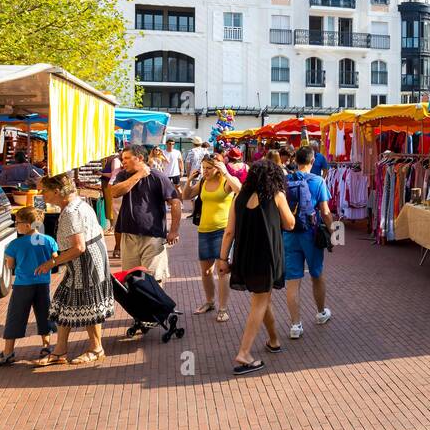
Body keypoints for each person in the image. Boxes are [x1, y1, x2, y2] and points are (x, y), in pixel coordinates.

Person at [217, 159, 296, 375]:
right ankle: (244, 353)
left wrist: (223, 259)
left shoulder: (238, 197)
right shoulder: (277, 195)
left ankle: (273, 340)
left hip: (244, 255)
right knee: (259, 302)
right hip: (267, 255)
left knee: (263, 297)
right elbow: (290, 224)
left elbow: (229, 232)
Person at [33, 174, 114, 366]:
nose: (41, 194)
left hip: (85, 262)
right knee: (63, 303)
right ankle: (60, 350)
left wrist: (52, 263)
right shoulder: (78, 204)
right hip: (87, 260)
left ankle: (96, 349)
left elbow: (79, 247)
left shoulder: (71, 211)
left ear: (56, 191)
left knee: (88, 305)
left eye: (44, 190)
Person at [0, 206, 58, 366]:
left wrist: (10, 259)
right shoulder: (49, 241)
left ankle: (8, 352)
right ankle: (47, 347)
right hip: (42, 284)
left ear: (27, 225)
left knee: (15, 316)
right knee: (44, 314)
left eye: (17, 222)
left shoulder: (15, 244)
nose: (16, 225)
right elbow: (55, 260)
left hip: (22, 285)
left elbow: (10, 265)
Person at [181, 153, 241, 321]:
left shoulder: (226, 182)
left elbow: (240, 190)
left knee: (222, 270)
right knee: (206, 271)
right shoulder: (203, 182)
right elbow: (186, 196)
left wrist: (227, 173)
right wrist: (189, 181)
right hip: (204, 231)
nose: (205, 171)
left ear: (218, 168)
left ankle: (223, 308)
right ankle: (209, 302)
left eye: (208, 168)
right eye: (203, 168)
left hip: (223, 231)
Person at [109, 145, 181, 283]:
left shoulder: (158, 177)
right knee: (131, 280)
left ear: (140, 158)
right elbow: (115, 192)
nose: (123, 161)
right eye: (122, 158)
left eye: (127, 158)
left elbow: (176, 203)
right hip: (129, 235)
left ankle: (153, 305)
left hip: (153, 236)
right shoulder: (122, 175)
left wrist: (174, 231)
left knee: (153, 280)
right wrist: (138, 175)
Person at [283, 145, 334, 339]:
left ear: (296, 160)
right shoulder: (318, 181)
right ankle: (321, 313)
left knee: (293, 281)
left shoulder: (285, 180)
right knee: (317, 274)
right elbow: (325, 212)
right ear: (313, 162)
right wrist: (333, 234)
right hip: (311, 234)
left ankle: (295, 325)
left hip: (289, 233)